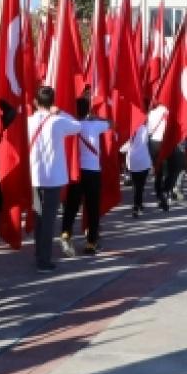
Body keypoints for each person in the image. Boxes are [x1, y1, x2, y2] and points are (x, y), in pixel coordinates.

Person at [27, 86, 82, 271]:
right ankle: (44, 260)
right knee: (48, 220)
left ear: (35, 102)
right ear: (53, 102)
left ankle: (38, 254)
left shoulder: (29, 121)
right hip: (52, 177)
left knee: (39, 218)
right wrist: (61, 112)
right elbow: (78, 126)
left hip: (35, 176)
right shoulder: (58, 121)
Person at [61, 97, 111, 256]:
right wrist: (96, 117)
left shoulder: (70, 125)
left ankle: (66, 233)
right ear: (88, 109)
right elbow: (111, 123)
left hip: (76, 171)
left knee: (71, 206)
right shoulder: (94, 125)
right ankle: (91, 242)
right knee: (92, 208)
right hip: (93, 171)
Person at [122, 122, 152, 217]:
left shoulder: (128, 130)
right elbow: (148, 140)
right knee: (141, 185)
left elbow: (122, 149)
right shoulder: (145, 128)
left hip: (133, 161)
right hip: (144, 160)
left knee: (136, 186)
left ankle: (137, 205)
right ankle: (138, 205)